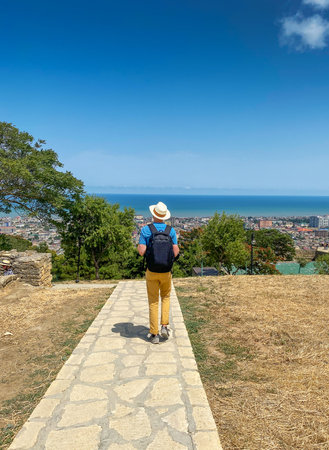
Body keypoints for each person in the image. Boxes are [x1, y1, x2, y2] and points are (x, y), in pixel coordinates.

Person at [138, 202, 179, 344]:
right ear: (164, 216)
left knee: (153, 301)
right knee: (166, 297)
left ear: (153, 214)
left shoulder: (146, 230)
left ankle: (154, 334)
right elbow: (175, 251)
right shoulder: (170, 231)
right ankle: (164, 326)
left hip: (151, 270)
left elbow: (142, 252)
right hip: (166, 271)